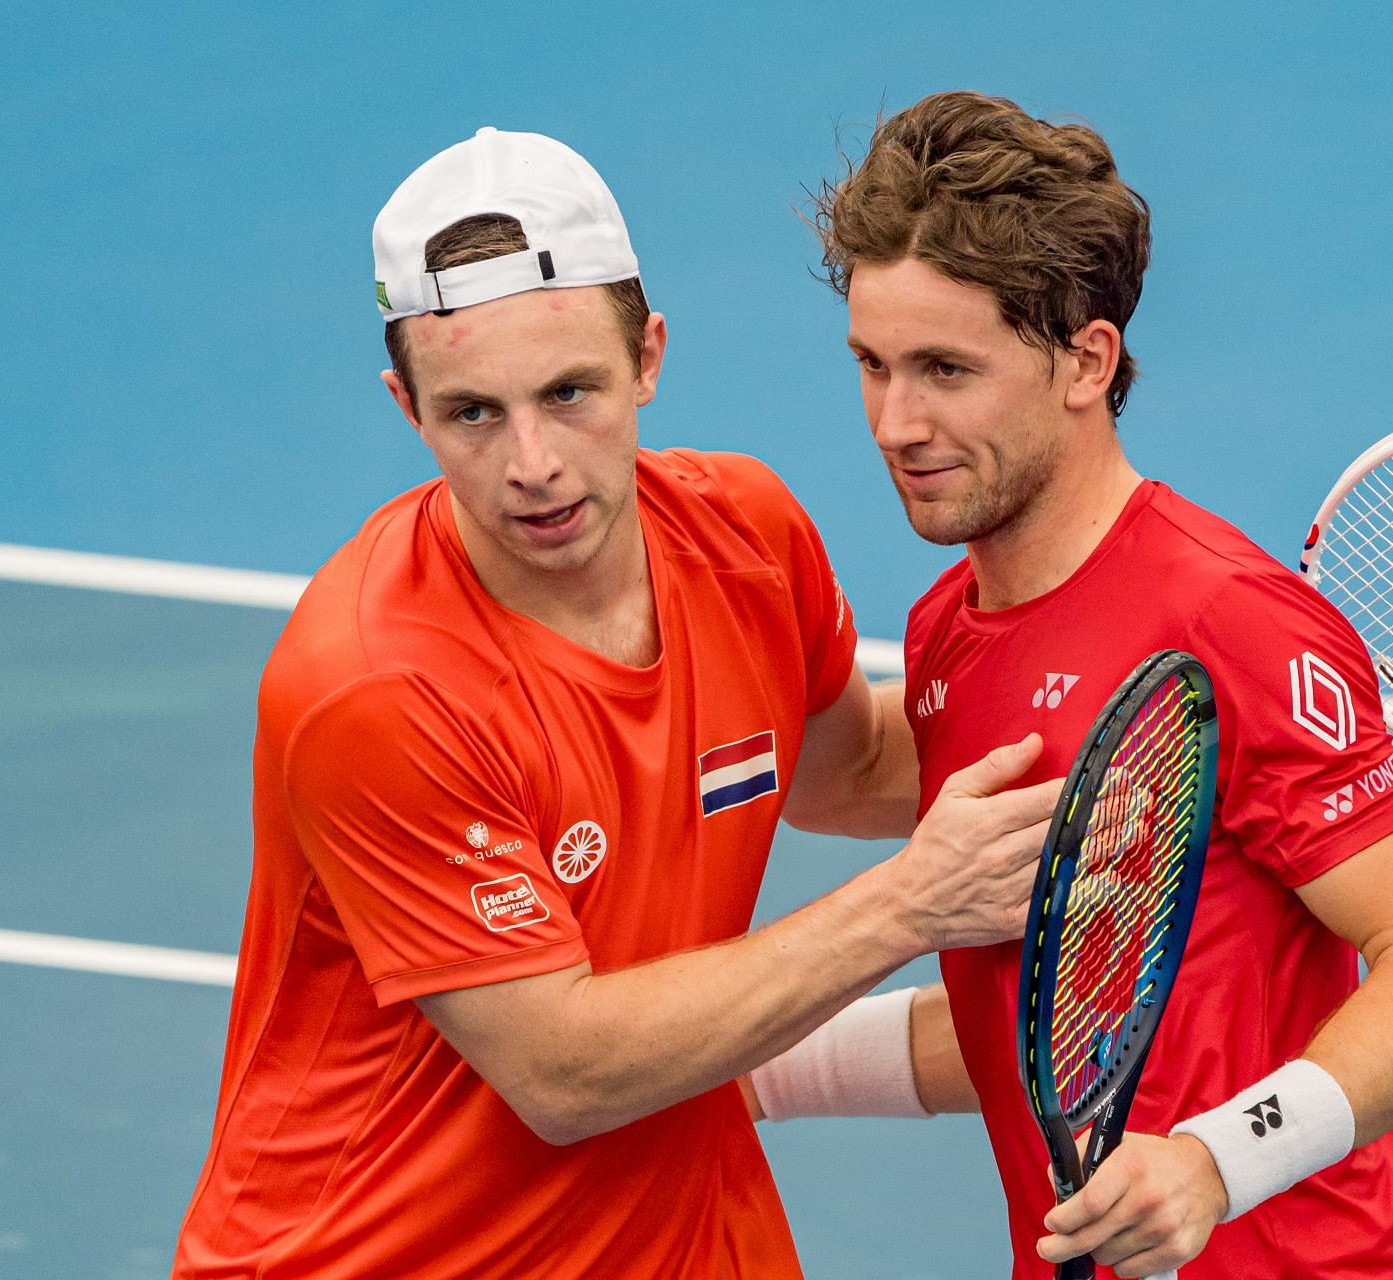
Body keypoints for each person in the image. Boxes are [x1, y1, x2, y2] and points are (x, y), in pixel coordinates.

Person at [169, 126, 1061, 1279]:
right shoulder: (376, 686)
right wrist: (912, 904)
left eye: (569, 391)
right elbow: (565, 1072)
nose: (531, 461)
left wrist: (1172, 751)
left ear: (648, 358)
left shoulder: (747, 533)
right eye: (473, 413)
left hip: (683, 1237)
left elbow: (855, 771)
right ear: (407, 406)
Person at [806, 91, 1393, 1278]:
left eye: (944, 369)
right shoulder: (944, 636)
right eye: (872, 365)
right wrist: (736, 1067)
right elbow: (1033, 1025)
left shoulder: (1225, 618)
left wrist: (1213, 1161)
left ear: (1087, 360)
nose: (895, 421)